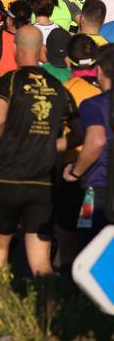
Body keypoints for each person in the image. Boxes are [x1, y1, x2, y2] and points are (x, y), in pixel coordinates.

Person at [0, 26, 81, 275]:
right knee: (40, 261)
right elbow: (79, 131)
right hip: (43, 179)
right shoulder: (58, 87)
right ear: (43, 51)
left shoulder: (9, 81)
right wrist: (53, 145)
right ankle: (47, 307)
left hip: (9, 175)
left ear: (16, 50)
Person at [63, 44, 114, 239]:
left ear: (99, 71)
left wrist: (76, 172)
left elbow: (96, 141)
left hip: (96, 188)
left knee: (87, 245)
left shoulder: (93, 105)